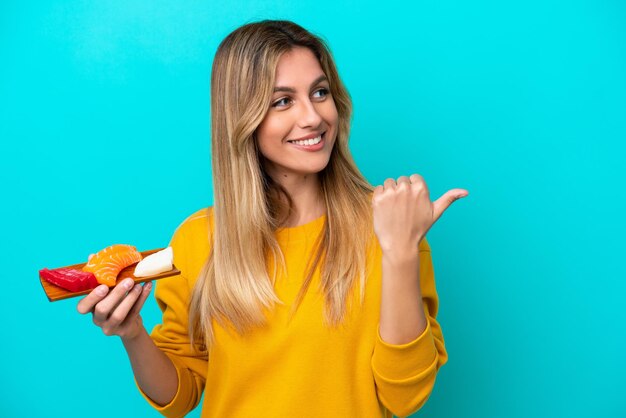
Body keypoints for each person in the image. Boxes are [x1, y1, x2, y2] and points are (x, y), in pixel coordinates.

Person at [77, 20, 468, 418]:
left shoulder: (390, 226)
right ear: (242, 119)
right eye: (283, 101)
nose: (313, 117)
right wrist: (133, 334)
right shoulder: (197, 240)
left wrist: (401, 252)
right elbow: (179, 397)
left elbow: (406, 396)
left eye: (320, 92)